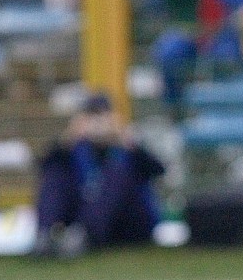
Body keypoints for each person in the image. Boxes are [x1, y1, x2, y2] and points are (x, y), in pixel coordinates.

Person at [34, 90, 164, 258]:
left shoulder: (128, 147)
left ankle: (85, 235)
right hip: (85, 218)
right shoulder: (74, 149)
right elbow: (45, 167)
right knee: (55, 174)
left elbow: (158, 170)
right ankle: (45, 235)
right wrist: (68, 138)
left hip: (130, 222)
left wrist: (127, 141)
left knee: (117, 173)